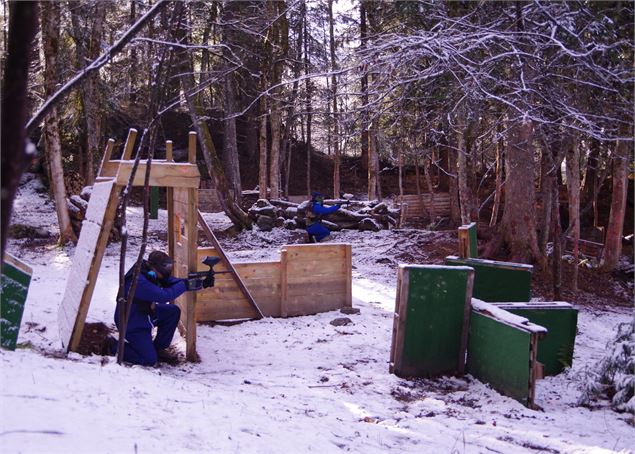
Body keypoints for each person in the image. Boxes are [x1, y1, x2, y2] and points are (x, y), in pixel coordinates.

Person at [109, 250, 211, 366]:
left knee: (172, 312)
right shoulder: (138, 281)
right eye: (165, 269)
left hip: (145, 314)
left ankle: (158, 349)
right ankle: (112, 346)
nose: (167, 272)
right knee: (149, 360)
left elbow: (169, 282)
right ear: (153, 267)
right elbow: (164, 296)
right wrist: (186, 284)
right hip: (132, 323)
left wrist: (199, 283)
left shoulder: (148, 271)